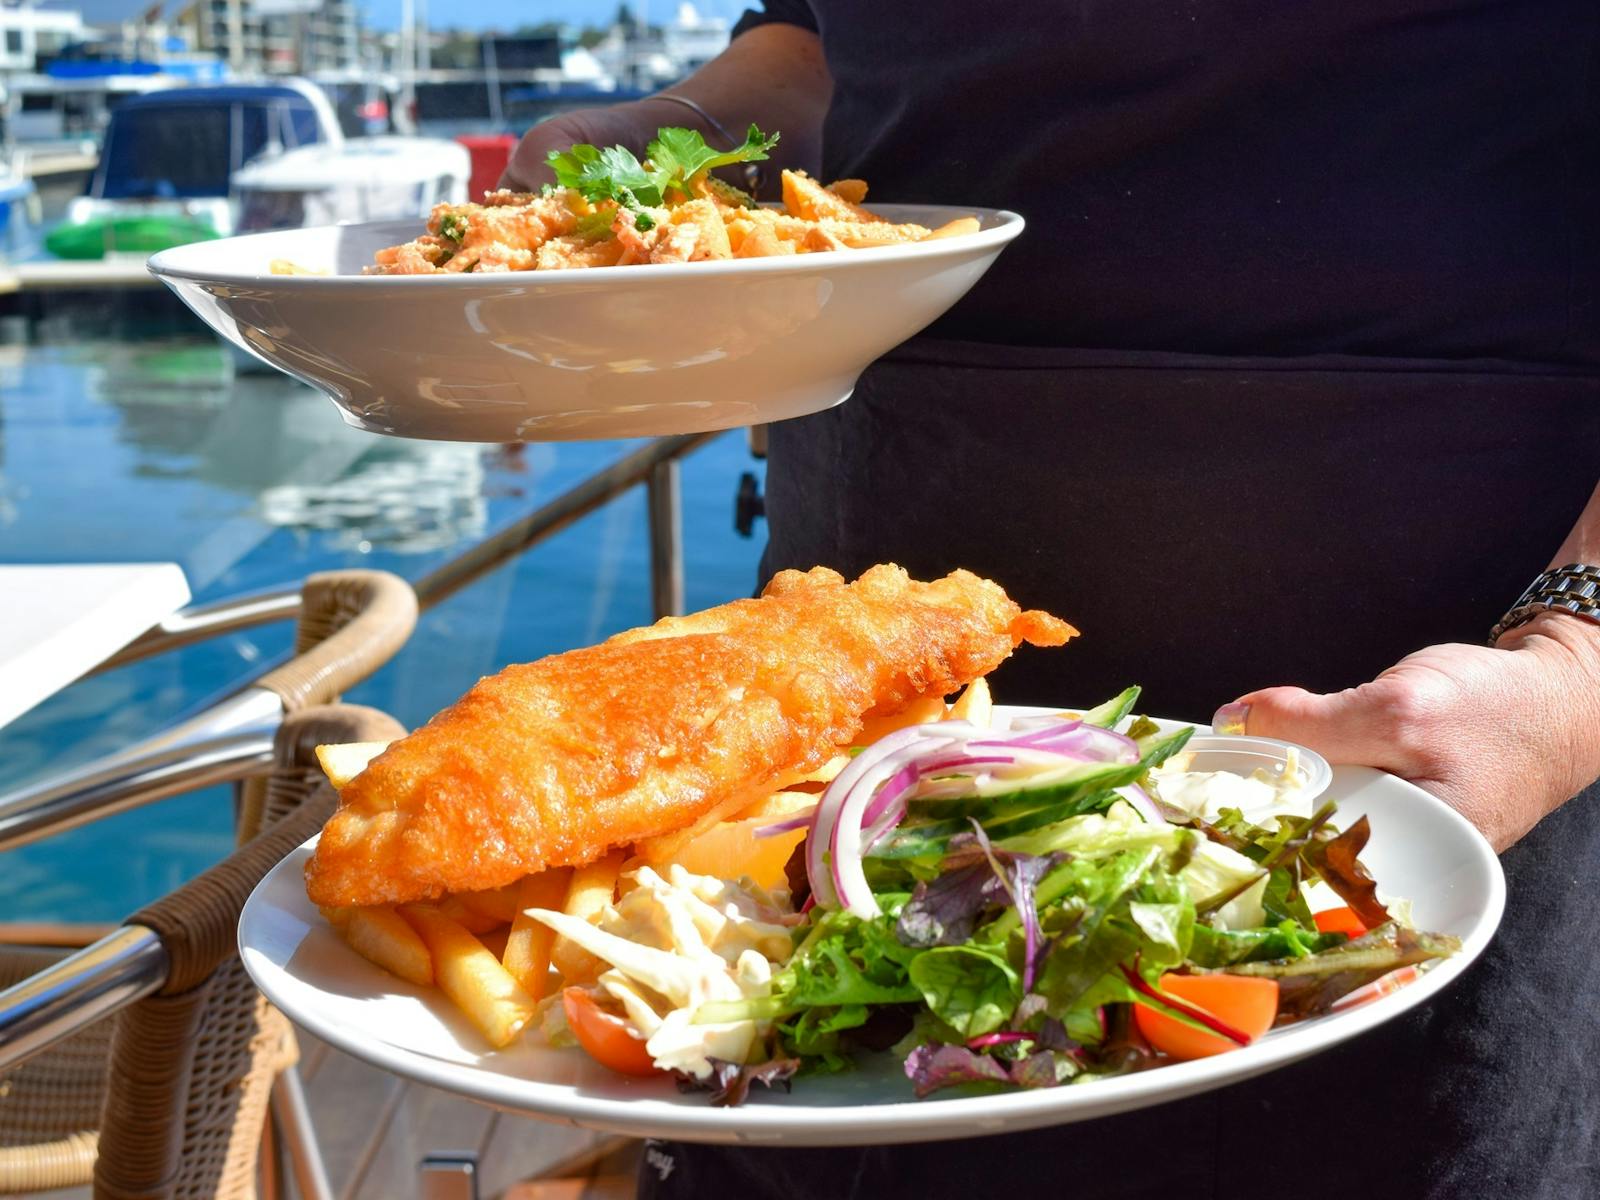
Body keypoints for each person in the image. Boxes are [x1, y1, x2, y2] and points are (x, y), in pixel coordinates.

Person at [502, 4, 1600, 1196]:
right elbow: (815, 46)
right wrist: (679, 129)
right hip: (863, 649)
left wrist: (1577, 659)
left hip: (1427, 701)